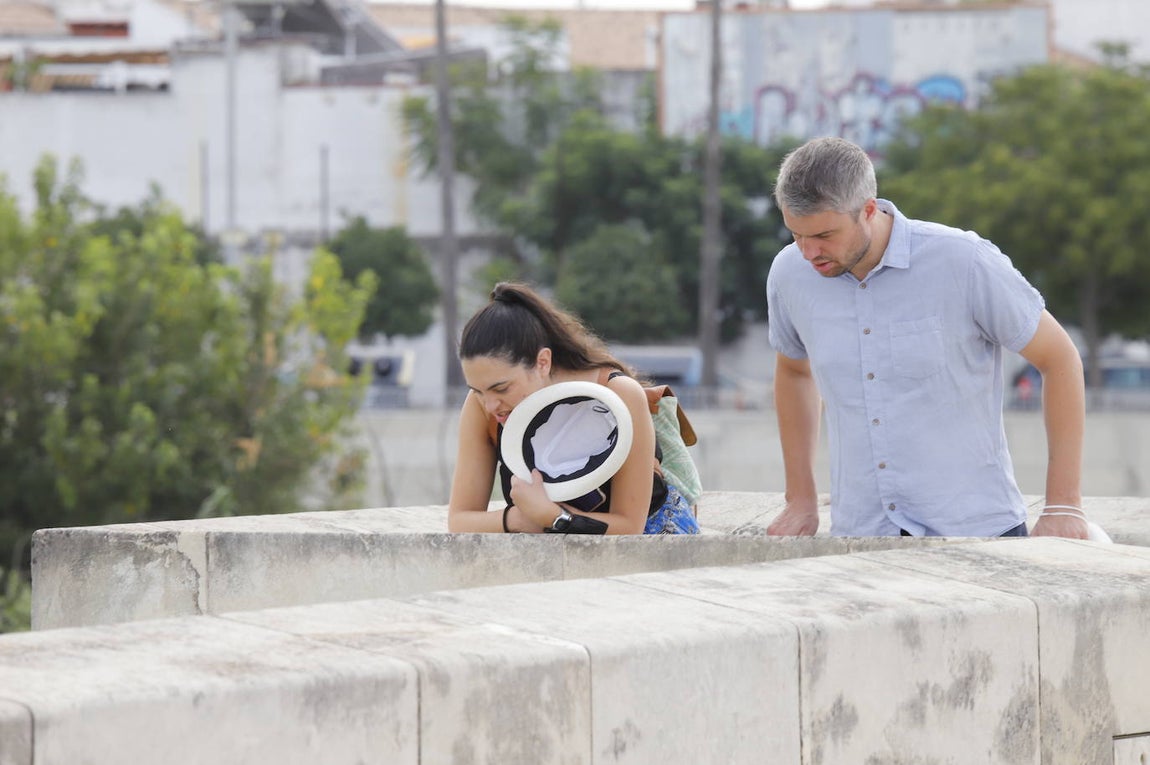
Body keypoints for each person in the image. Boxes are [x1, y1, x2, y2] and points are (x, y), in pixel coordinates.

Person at [765, 136, 1087, 538]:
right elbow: (794, 372)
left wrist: (1063, 505)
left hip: (978, 535)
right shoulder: (789, 274)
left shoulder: (963, 260)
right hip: (860, 538)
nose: (809, 252)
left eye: (825, 235)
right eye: (796, 235)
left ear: (868, 210)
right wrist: (800, 499)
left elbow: (1060, 359)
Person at [448, 282, 700, 535]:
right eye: (478, 390)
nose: (490, 405)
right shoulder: (480, 408)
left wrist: (552, 516)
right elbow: (459, 521)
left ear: (543, 362)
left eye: (501, 388)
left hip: (652, 540)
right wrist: (518, 519)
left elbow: (630, 527)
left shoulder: (621, 394)